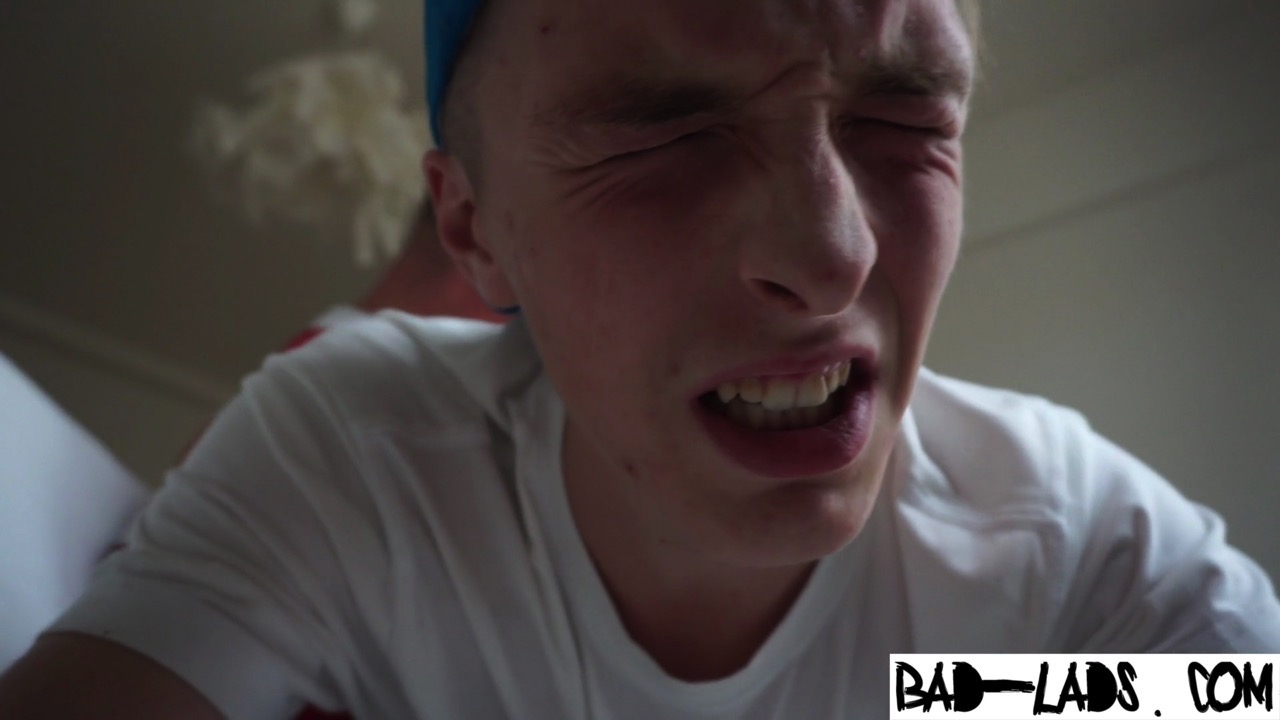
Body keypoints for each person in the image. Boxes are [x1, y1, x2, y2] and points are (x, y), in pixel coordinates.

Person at [3, 0, 1278, 717]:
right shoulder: (359, 468)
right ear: (472, 229)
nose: (831, 257)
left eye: (901, 117)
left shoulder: (1068, 566)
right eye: (664, 134)